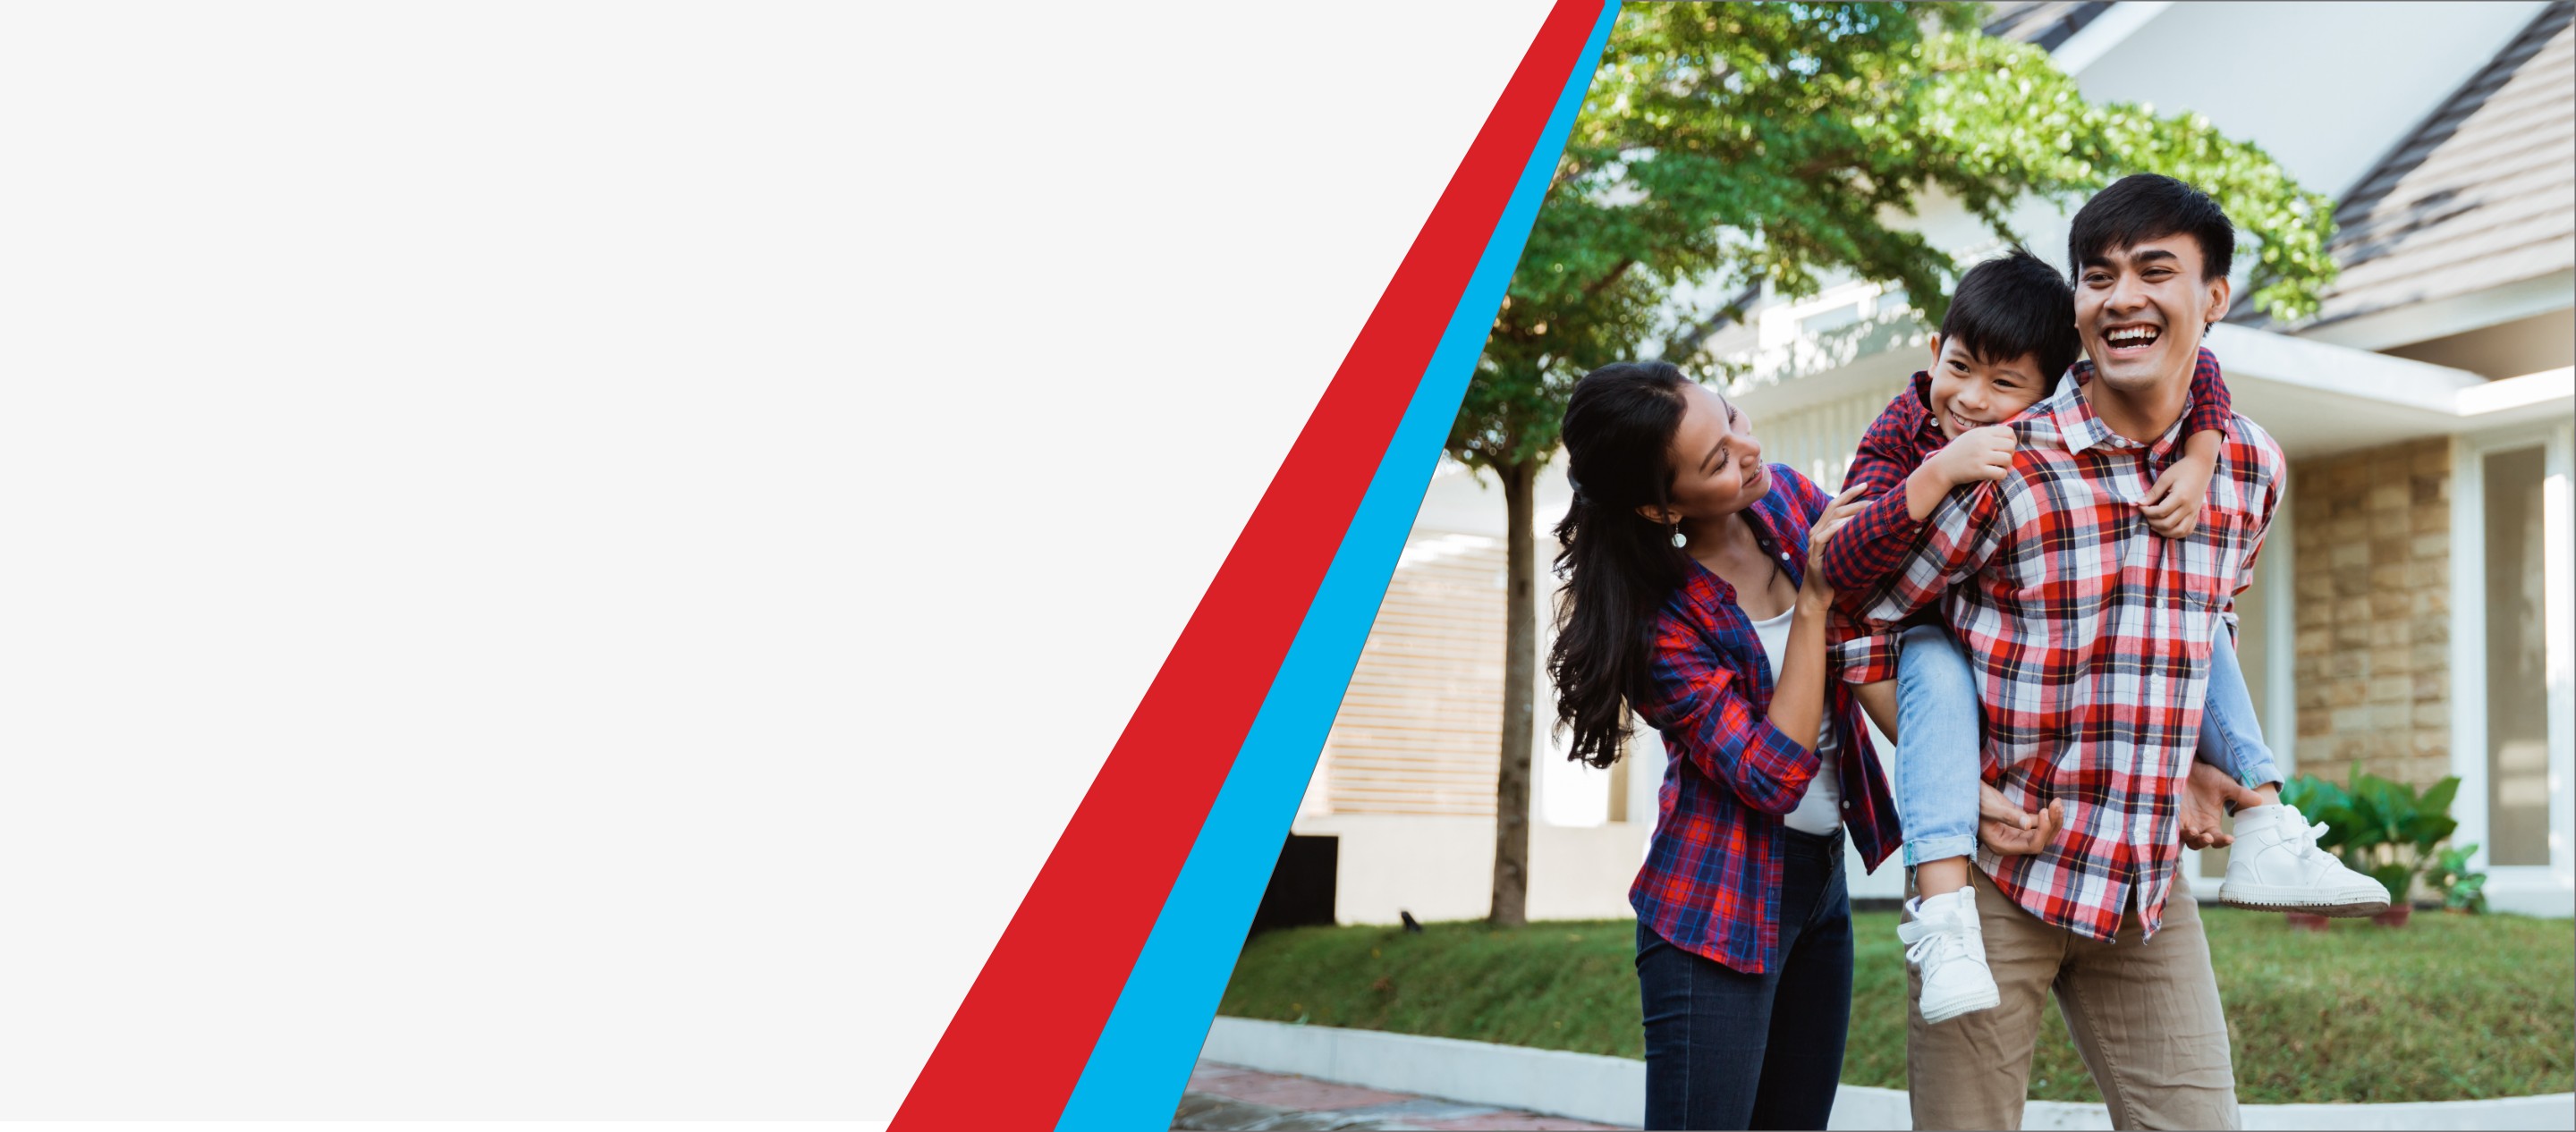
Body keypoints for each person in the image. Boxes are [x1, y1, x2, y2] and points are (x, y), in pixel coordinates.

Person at [1852, 173, 2382, 1129]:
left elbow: (2199, 624)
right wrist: (1956, 786)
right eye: (2099, 276)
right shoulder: (2007, 460)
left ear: (2213, 299)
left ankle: (2271, 828)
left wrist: (2200, 763)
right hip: (1995, 877)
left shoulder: (2249, 465)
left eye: (2154, 271)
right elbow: (1867, 621)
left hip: (2144, 879)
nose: (2122, 296)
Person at [1543, 361, 2053, 1130]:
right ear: (1657, 506)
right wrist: (1812, 600)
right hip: (1713, 909)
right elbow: (1776, 775)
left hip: (1818, 889)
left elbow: (1868, 649)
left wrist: (1958, 793)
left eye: (1733, 420)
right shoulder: (1660, 624)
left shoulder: (1782, 500)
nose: (1748, 451)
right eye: (1716, 461)